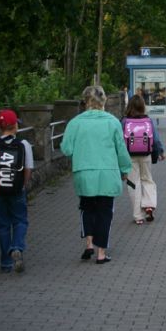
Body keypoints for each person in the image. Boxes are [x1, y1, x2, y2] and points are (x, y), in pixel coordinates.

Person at [60, 86, 132, 264]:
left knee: (87, 208)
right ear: (104, 101)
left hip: (84, 173)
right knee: (104, 212)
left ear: (85, 102)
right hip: (107, 173)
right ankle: (101, 253)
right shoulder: (113, 122)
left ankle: (89, 244)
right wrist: (124, 170)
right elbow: (121, 150)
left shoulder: (75, 123)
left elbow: (66, 149)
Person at [0, 109, 34, 273]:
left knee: (3, 225)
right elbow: (28, 169)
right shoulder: (23, 145)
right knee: (20, 221)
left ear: (0, 126)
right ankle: (16, 247)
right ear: (15, 125)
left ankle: (5, 263)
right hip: (16, 190)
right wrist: (22, 184)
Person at [122, 95, 166, 225]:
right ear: (143, 106)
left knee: (133, 184)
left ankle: (138, 216)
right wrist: (161, 152)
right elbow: (156, 139)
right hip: (146, 154)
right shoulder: (148, 120)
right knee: (147, 179)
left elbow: (119, 141)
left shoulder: (124, 121)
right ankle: (149, 205)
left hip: (129, 156)